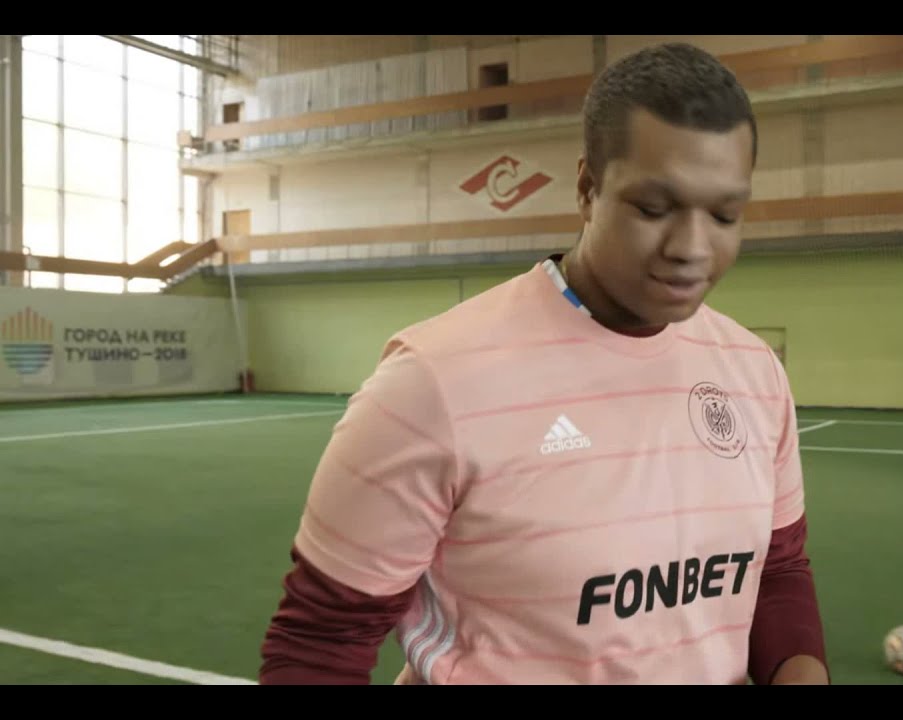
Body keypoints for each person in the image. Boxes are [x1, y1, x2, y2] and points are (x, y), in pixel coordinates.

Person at [258, 41, 828, 686]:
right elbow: (321, 644)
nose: (692, 247)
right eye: (653, 208)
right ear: (587, 188)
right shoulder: (433, 382)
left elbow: (778, 571)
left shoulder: (754, 372)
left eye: (725, 215)